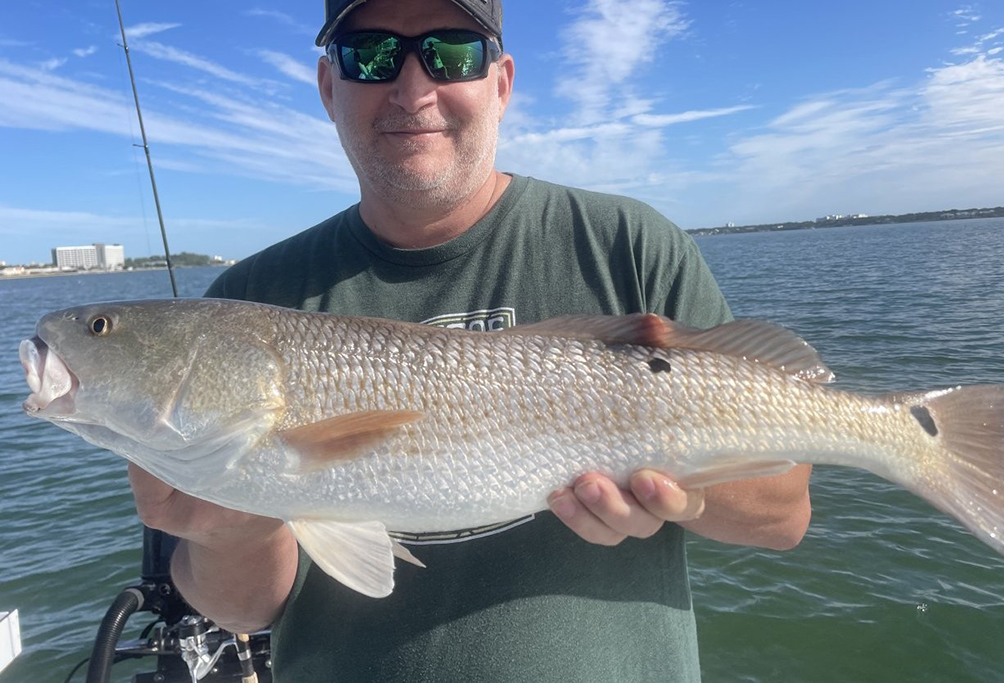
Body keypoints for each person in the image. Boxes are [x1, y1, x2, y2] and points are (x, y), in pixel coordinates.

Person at [128, 0, 812, 680]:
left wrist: (685, 487)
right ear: (329, 87)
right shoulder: (247, 302)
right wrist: (228, 526)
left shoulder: (630, 246)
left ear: (502, 83)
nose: (414, 87)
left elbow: (783, 513)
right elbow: (245, 610)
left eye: (452, 52)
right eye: (372, 54)